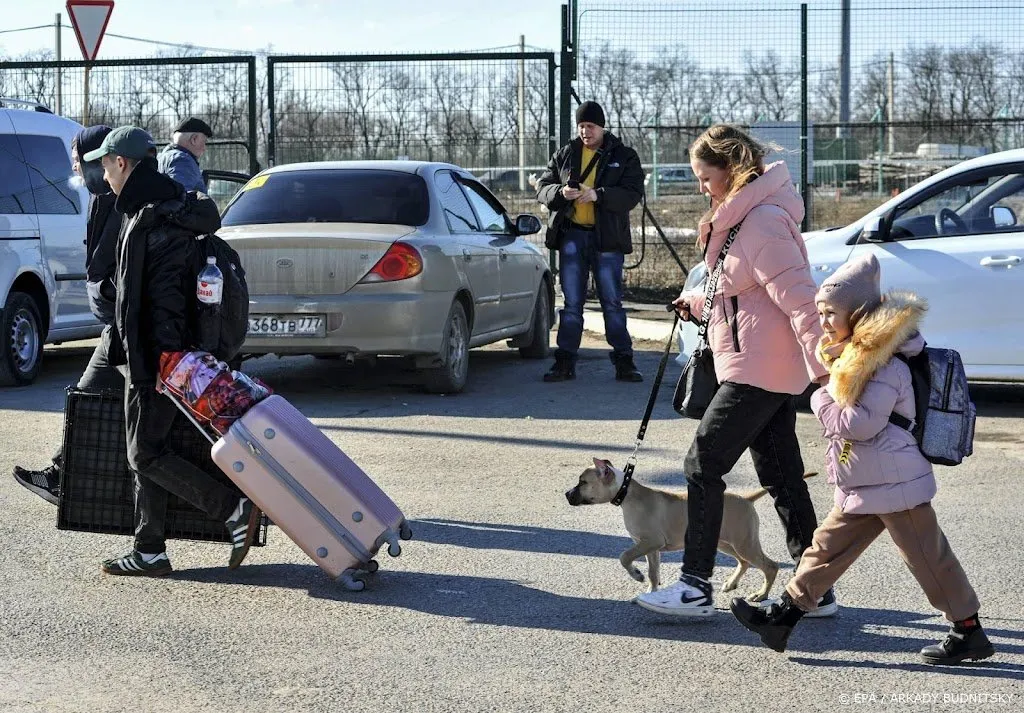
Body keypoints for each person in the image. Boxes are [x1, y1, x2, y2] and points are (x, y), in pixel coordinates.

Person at [731, 254, 995, 665]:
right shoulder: (853, 357)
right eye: (820, 312)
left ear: (857, 313)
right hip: (866, 480)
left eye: (831, 312)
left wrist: (819, 396)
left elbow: (859, 424)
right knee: (824, 550)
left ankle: (968, 632)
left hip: (895, 484)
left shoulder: (884, 364)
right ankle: (783, 618)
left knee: (928, 559)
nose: (823, 320)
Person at [635, 124, 832, 617]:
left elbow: (801, 301)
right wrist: (697, 301)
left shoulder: (760, 221)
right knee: (783, 475)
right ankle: (816, 591)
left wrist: (831, 372)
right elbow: (739, 290)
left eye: (705, 177)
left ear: (732, 170)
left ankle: (695, 585)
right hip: (759, 364)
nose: (701, 187)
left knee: (702, 465)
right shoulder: (742, 218)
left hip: (757, 370)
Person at [83, 126, 260, 576]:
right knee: (147, 448)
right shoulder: (162, 208)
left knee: (145, 454)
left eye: (105, 164)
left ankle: (231, 508)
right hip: (157, 354)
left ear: (121, 163)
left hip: (159, 358)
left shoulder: (151, 219)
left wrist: (157, 365)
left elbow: (162, 300)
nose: (103, 173)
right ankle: (149, 550)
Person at [12, 126, 124, 505]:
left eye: (78, 160)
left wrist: (105, 295)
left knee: (93, 397)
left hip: (128, 328)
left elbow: (111, 270)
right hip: (119, 325)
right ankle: (64, 475)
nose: (74, 168)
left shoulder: (120, 200)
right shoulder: (102, 198)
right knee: (94, 400)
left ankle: (230, 499)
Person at [536, 100, 645, 383]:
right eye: (582, 126)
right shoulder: (565, 154)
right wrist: (561, 193)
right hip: (572, 235)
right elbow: (543, 188)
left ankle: (624, 360)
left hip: (607, 239)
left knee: (612, 301)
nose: (586, 131)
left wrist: (599, 195)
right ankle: (565, 361)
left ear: (602, 126)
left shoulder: (624, 155)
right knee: (572, 302)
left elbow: (632, 193)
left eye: (591, 126)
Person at [156, 116, 213, 193]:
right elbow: (179, 198)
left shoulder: (162, 157)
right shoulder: (183, 160)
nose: (204, 148)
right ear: (194, 139)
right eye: (204, 142)